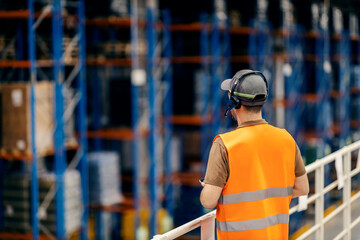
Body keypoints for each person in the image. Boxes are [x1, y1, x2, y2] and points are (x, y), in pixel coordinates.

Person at [200, 69, 309, 240]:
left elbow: (208, 201)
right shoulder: (286, 139)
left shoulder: (225, 144)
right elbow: (303, 188)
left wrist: (208, 186)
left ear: (233, 101)